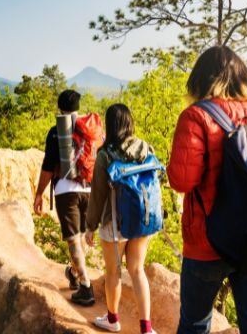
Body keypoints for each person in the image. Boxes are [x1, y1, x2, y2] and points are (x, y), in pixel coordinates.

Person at [168, 45, 247, 334]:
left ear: (200, 79)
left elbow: (182, 181)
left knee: (195, 324)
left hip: (207, 241)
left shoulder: (196, 117)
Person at [84, 103, 157, 334]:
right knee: (137, 270)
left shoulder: (106, 154)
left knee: (113, 272)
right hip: (142, 220)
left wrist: (90, 226)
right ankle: (146, 329)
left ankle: (113, 319)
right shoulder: (146, 148)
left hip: (113, 222)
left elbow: (97, 194)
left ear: (111, 124)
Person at [33, 89, 95, 306]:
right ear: (78, 106)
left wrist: (39, 193)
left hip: (66, 191)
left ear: (59, 108)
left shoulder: (55, 132)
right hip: (89, 188)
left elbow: (49, 167)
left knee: (73, 238)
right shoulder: (89, 130)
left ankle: (86, 287)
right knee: (80, 235)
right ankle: (76, 275)